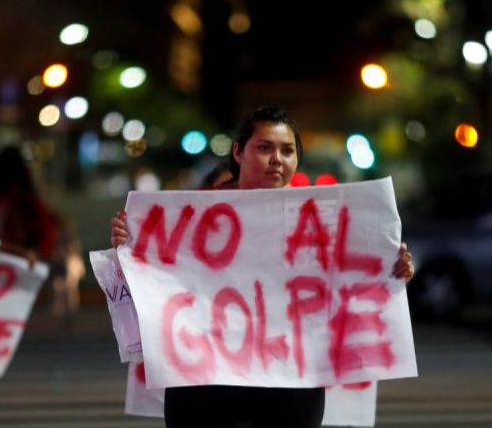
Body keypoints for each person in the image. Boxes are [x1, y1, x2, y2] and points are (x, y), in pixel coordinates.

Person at [110, 106, 416, 428]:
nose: (277, 159)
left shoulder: (322, 221)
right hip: (205, 386)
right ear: (238, 153)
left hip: (291, 388)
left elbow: (348, 285)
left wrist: (390, 272)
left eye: (287, 151)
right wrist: (129, 251)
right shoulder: (188, 216)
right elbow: (151, 292)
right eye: (265, 148)